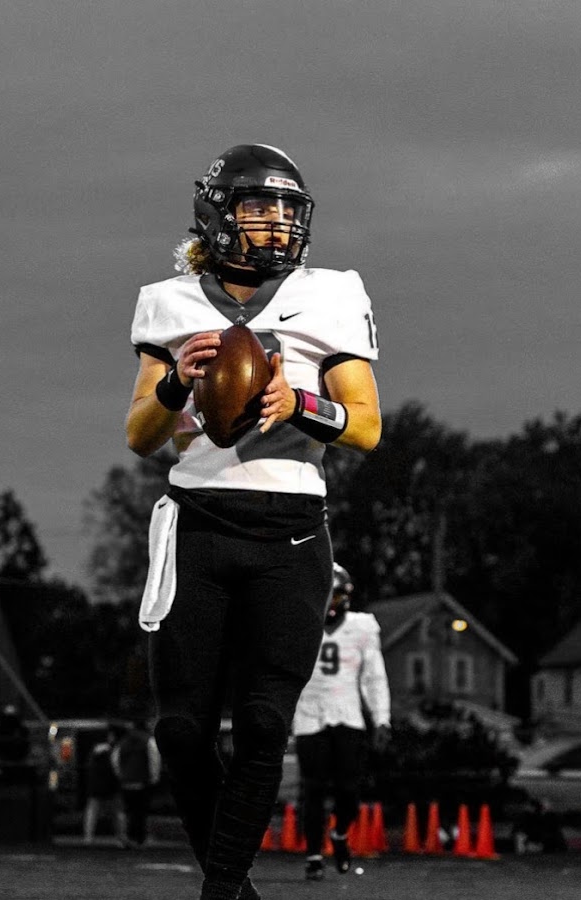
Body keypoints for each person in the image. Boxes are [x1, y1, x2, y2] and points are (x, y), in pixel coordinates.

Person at [126, 144, 382, 900]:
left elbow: (367, 428)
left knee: (266, 724)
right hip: (197, 523)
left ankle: (221, 894)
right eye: (258, 206)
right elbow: (140, 436)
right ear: (217, 214)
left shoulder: (331, 294)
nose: (276, 223)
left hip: (289, 528)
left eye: (287, 209)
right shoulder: (169, 302)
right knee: (180, 731)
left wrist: (298, 403)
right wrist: (175, 384)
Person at [292, 563, 391, 881]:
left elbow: (374, 677)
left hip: (348, 713)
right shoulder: (298, 623)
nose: (328, 603)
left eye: (333, 596)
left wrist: (382, 718)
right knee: (313, 788)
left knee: (349, 790)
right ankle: (314, 855)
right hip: (309, 713)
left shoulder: (362, 627)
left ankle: (340, 834)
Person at [111, 719, 162, 848]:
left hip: (126, 781)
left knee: (127, 810)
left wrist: (121, 775)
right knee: (140, 811)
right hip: (142, 780)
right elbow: (154, 759)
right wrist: (154, 777)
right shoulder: (148, 740)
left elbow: (115, 760)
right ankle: (139, 838)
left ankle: (126, 837)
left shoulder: (123, 742)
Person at [83, 726, 125, 845]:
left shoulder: (98, 749)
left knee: (92, 810)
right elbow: (118, 768)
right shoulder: (117, 749)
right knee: (117, 812)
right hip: (112, 784)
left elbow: (90, 765)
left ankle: (88, 837)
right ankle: (120, 838)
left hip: (97, 784)